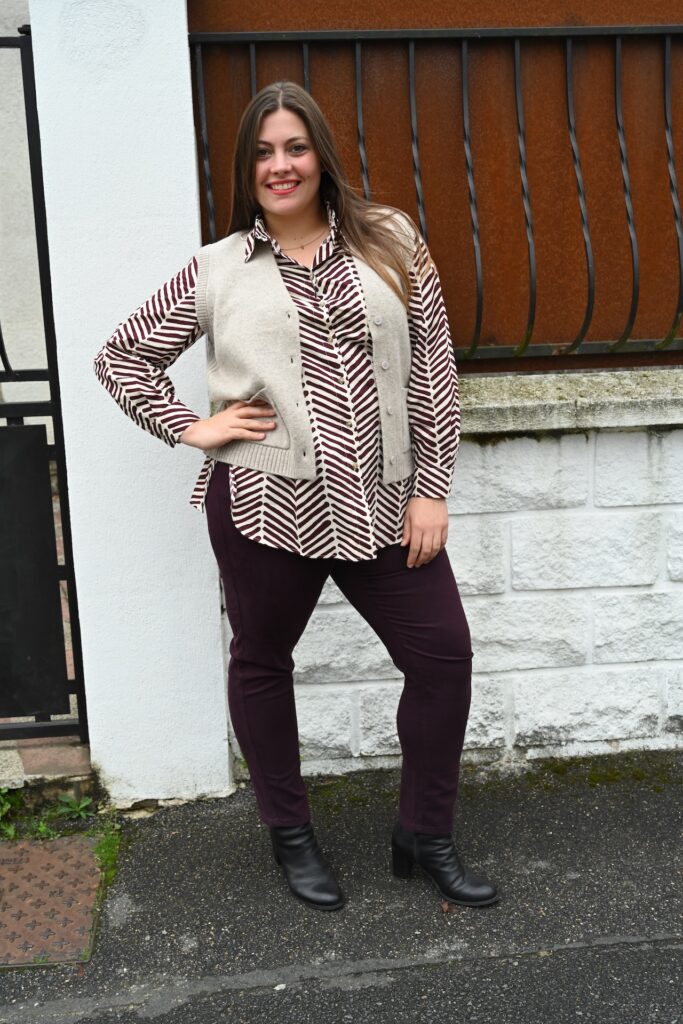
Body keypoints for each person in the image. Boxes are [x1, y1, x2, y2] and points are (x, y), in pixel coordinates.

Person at [93, 80, 499, 913]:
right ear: (246, 169)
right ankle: (290, 834)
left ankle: (424, 834)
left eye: (294, 147)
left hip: (386, 505)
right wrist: (191, 426)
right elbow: (122, 356)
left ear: (320, 155)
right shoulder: (218, 268)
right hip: (263, 505)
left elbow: (432, 369)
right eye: (262, 153)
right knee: (261, 662)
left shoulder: (390, 239)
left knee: (442, 657)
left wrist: (431, 490)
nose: (279, 166)